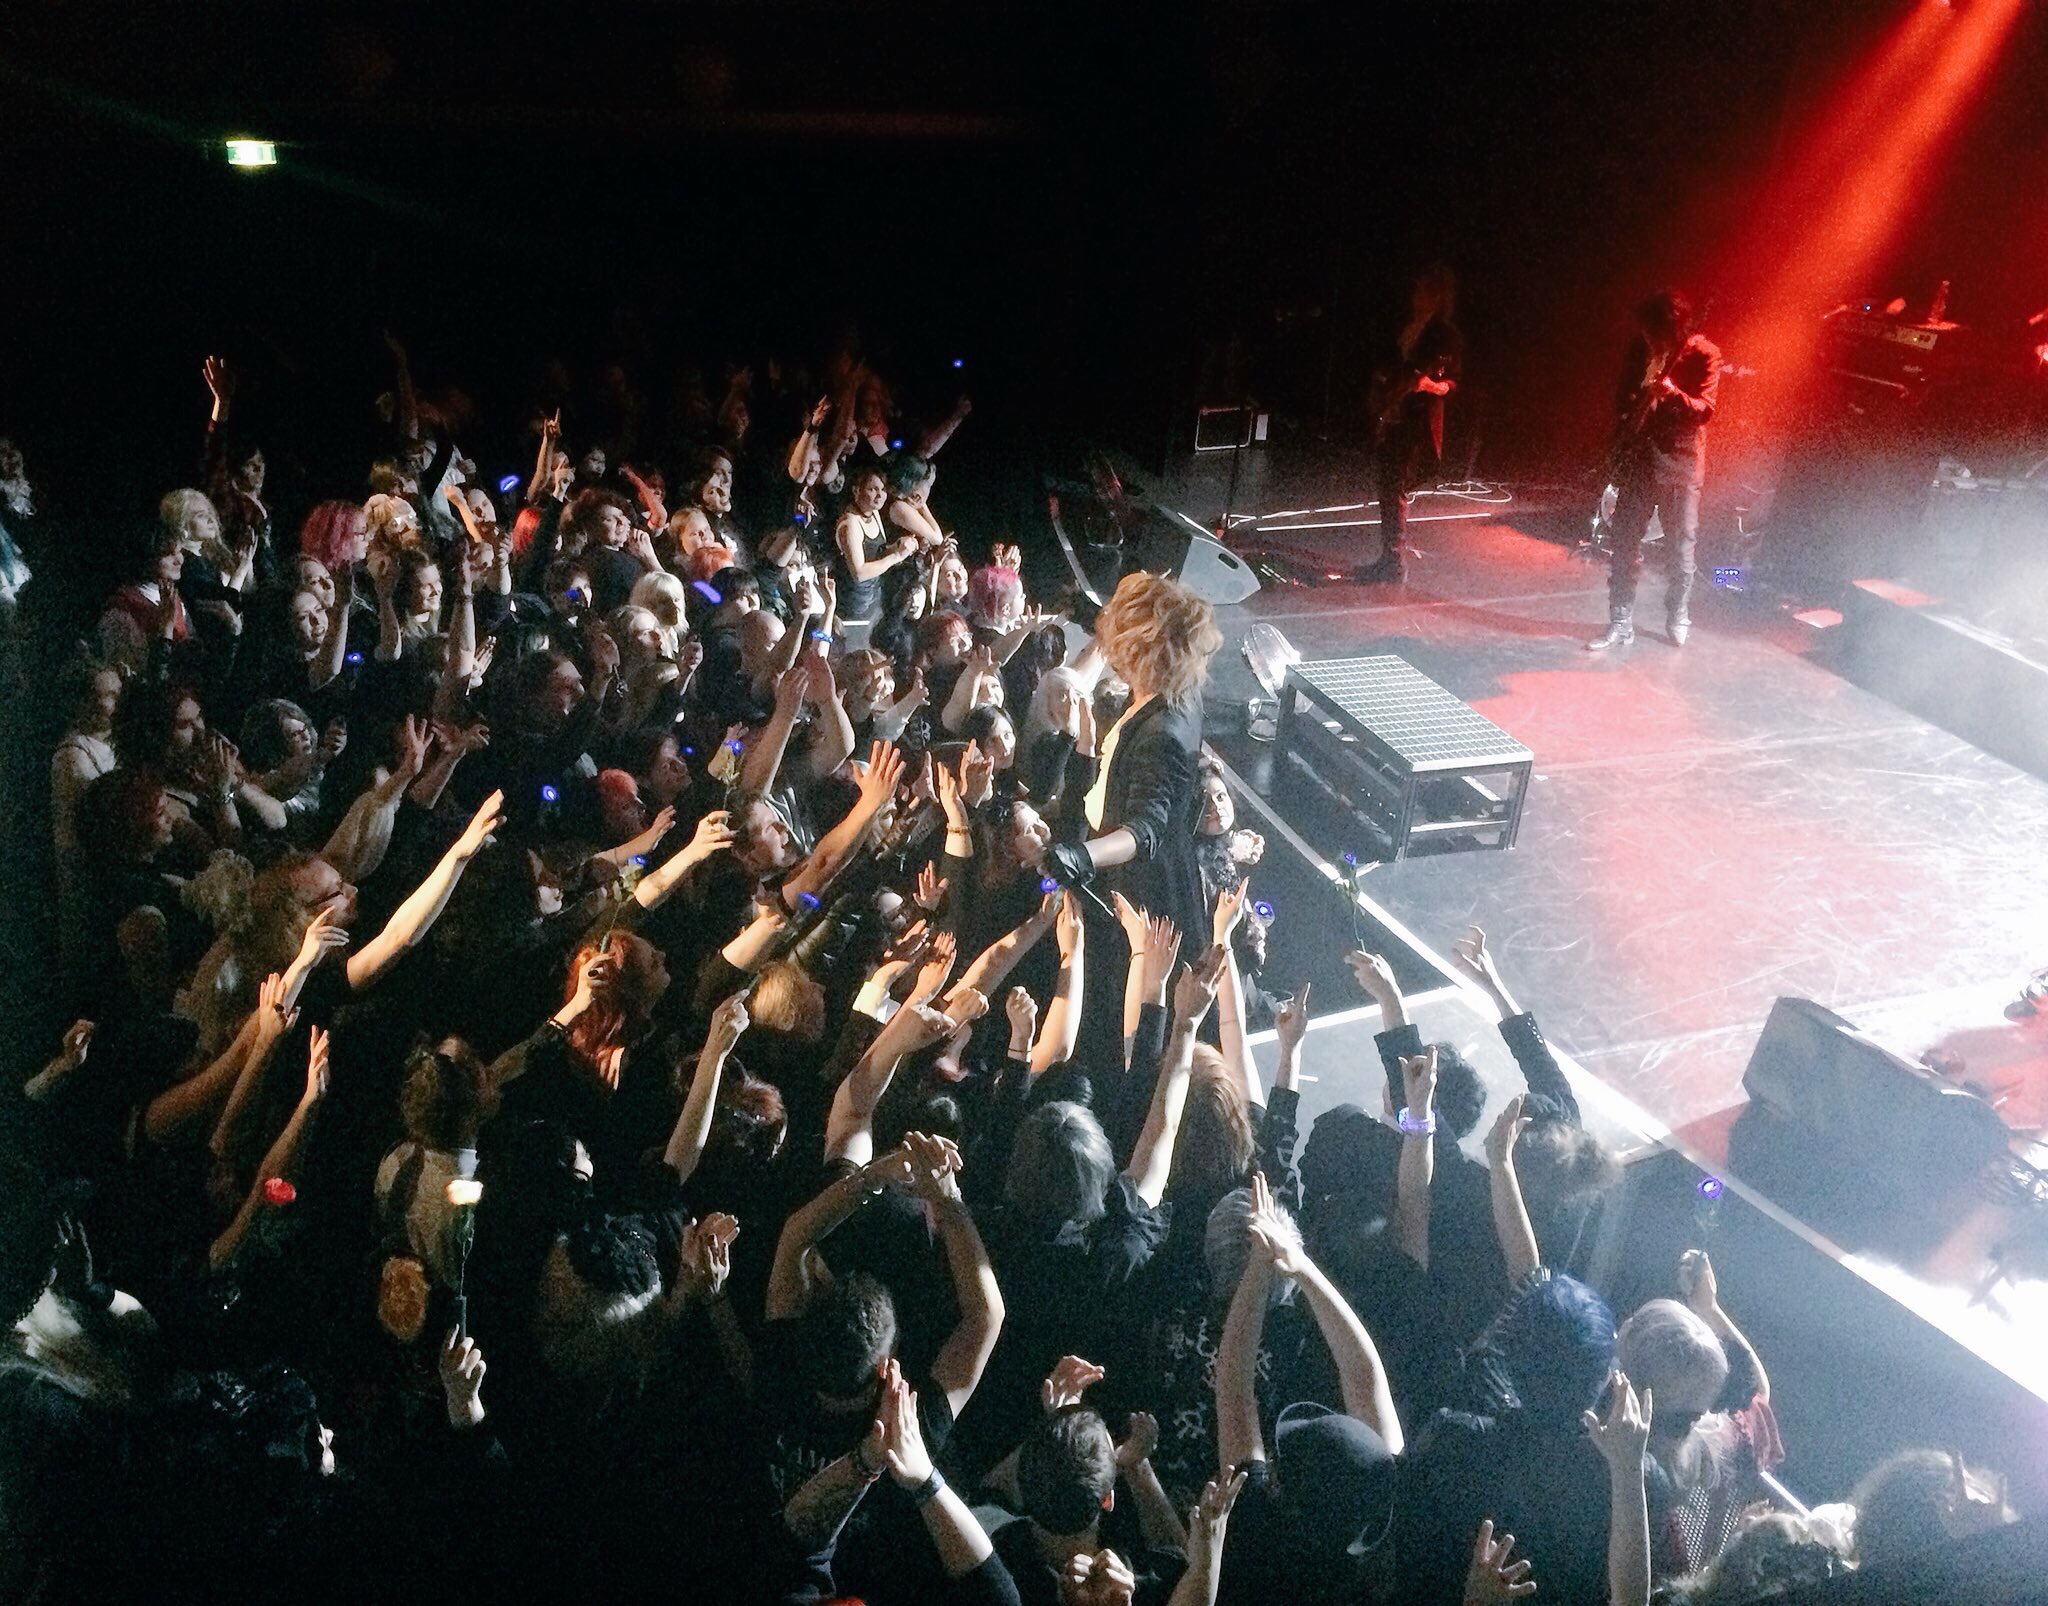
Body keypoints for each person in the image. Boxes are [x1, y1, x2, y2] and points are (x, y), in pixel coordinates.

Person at [1042, 571, 1223, 944]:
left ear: (1140, 650)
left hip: (1139, 896)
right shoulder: (1176, 687)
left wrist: (1083, 855)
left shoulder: (1163, 736)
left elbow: (1143, 830)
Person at [1589, 290, 1722, 651]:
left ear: (1671, 328)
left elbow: (1704, 410)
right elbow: (1623, 395)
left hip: (1680, 463)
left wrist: (1672, 392)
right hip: (1640, 459)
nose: (1646, 336)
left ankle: (1678, 612)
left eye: (1653, 330)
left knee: (1681, 548)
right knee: (1624, 540)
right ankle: (1620, 619)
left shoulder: (1703, 354)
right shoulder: (1640, 349)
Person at [1359, 266, 1462, 585]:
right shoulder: (1407, 327)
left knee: (1395, 486)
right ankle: (1388, 557)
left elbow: (1451, 384)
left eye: (1422, 290)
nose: (1415, 295)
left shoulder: (1445, 334)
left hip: (1417, 421)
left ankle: (1393, 561)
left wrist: (1425, 384)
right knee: (1387, 486)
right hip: (1394, 412)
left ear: (1436, 294)